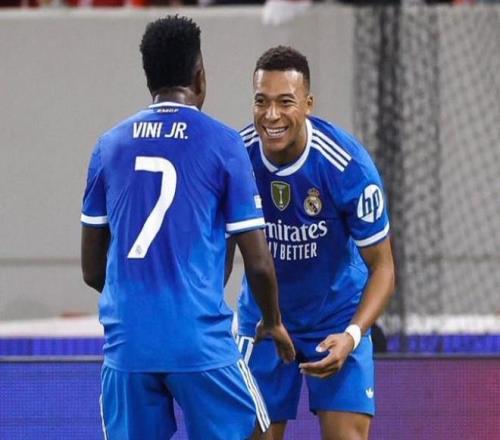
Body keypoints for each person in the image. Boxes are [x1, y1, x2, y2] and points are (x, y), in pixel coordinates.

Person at [80, 17, 295, 440]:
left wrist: (142, 300)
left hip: (129, 345)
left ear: (149, 77)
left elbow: (91, 270)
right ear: (200, 76)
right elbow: (259, 263)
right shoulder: (224, 143)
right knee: (256, 431)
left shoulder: (109, 146)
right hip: (199, 340)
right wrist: (272, 320)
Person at [230, 46, 395, 440]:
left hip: (335, 318)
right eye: (261, 101)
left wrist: (352, 335)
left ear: (308, 104)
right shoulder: (235, 159)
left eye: (285, 102)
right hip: (263, 321)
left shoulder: (347, 166)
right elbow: (218, 252)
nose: (271, 115)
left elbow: (383, 267)